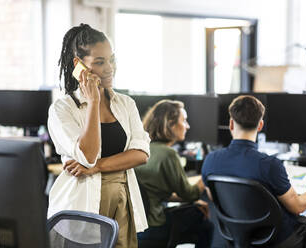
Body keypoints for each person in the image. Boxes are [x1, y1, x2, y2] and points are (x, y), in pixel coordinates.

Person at [47, 23, 150, 248]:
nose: (109, 68)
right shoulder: (63, 109)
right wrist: (93, 101)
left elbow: (141, 154)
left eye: (111, 60)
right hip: (81, 203)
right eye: (100, 62)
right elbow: (87, 155)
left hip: (122, 201)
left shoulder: (125, 103)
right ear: (79, 65)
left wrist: (98, 167)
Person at [201, 95, 306, 247]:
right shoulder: (270, 165)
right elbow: (298, 207)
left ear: (231, 124)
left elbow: (215, 198)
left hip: (237, 236)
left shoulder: (210, 160)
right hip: (279, 238)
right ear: (260, 125)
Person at [135, 99, 214, 248]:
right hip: (155, 225)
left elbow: (153, 192)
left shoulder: (141, 148)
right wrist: (206, 174)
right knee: (205, 224)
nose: (187, 126)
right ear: (170, 124)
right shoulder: (168, 154)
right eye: (184, 121)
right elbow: (190, 194)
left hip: (138, 227)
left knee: (195, 209)